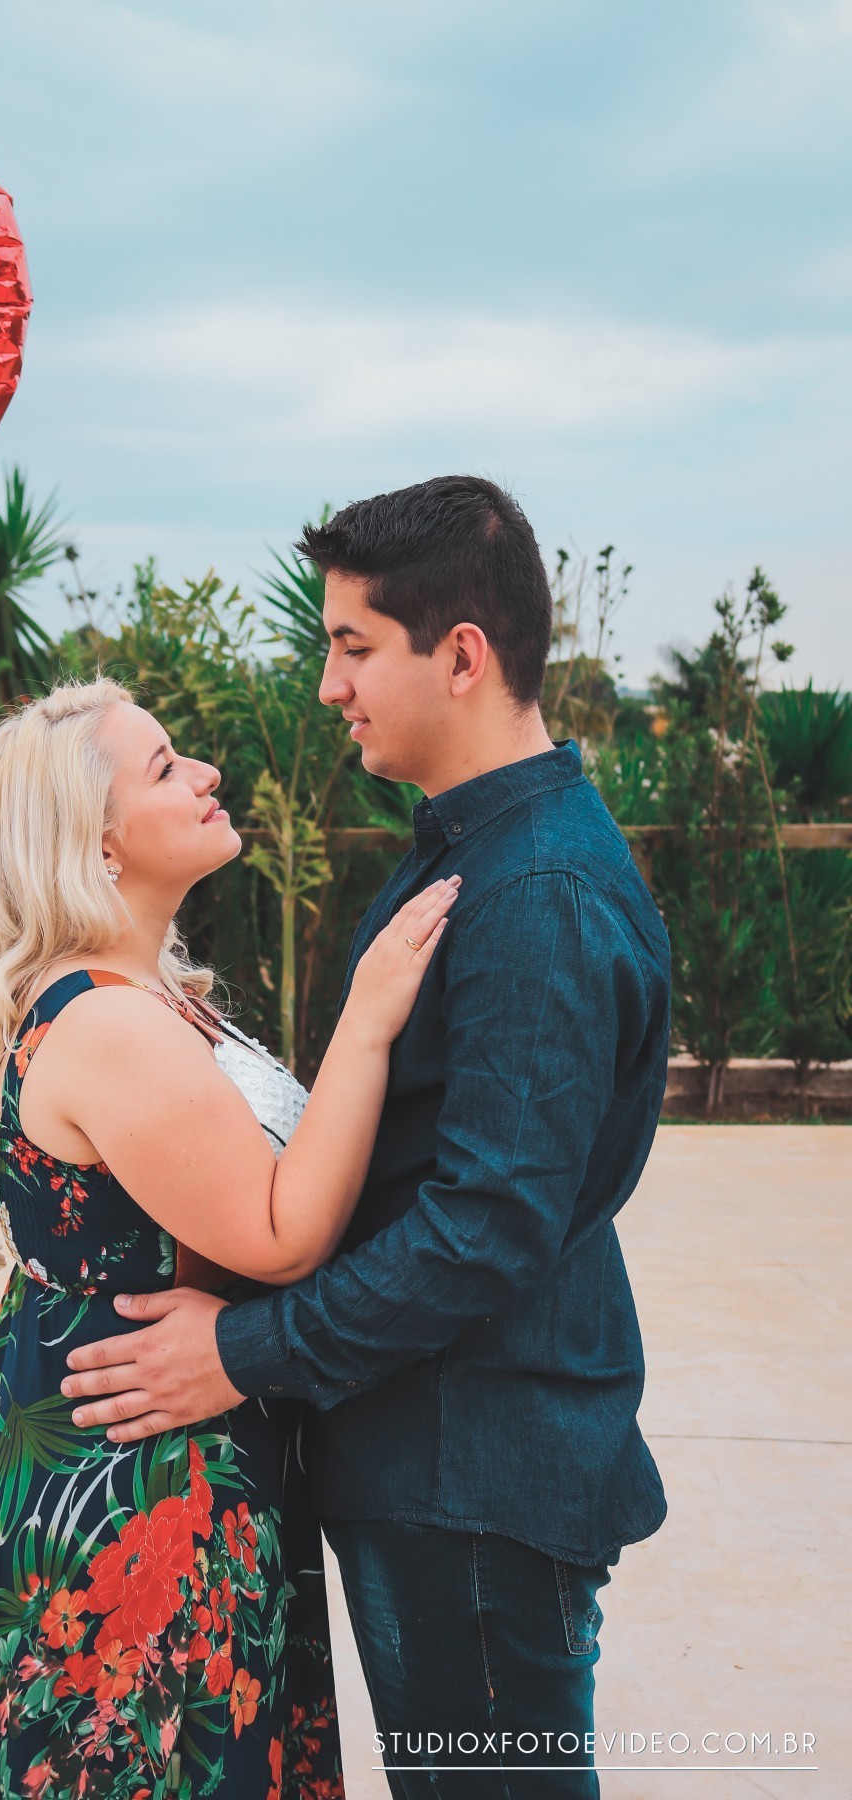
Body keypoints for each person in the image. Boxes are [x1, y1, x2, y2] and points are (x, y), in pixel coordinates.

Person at [59, 477, 673, 1799]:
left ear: (461, 657)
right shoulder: (475, 854)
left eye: (353, 646)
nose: (330, 685)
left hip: (472, 1475)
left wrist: (242, 1352)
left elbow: (484, 1229)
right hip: (440, 1453)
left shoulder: (535, 895)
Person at [0, 675, 459, 1800]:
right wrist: (367, 1023)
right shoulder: (107, 1022)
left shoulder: (141, 995)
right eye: (166, 766)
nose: (207, 773)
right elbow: (278, 1234)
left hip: (160, 1437)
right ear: (100, 842)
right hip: (136, 1487)